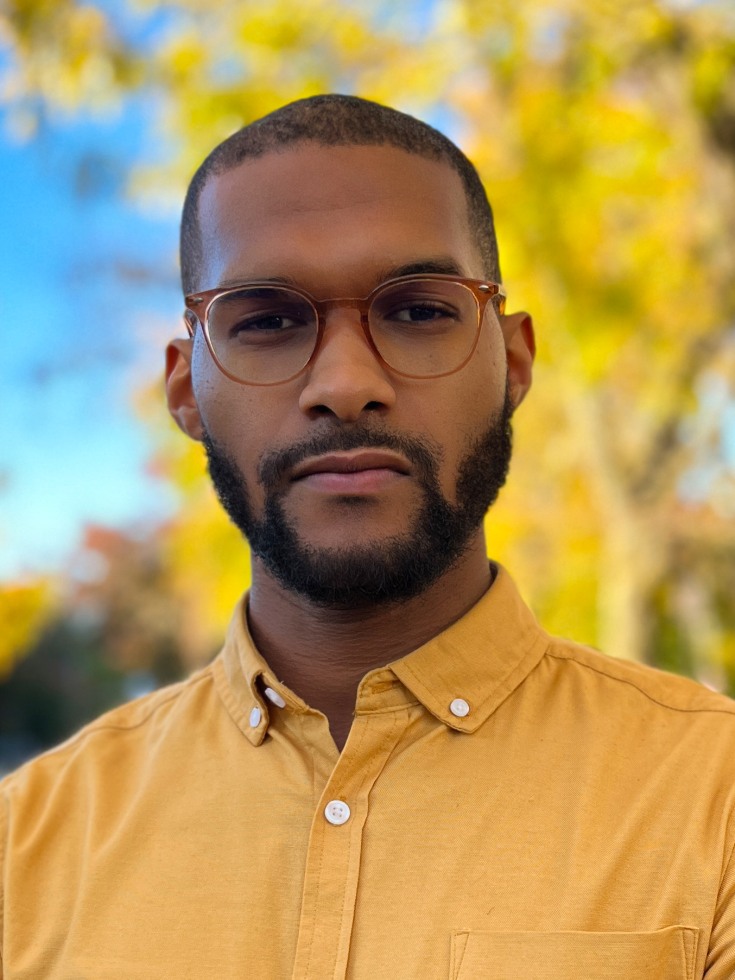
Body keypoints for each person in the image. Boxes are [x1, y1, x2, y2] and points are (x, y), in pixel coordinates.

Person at [1, 94, 733, 979]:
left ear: (512, 362)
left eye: (418, 311)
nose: (346, 384)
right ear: (186, 388)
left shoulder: (712, 803)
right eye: (267, 320)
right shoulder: (24, 848)